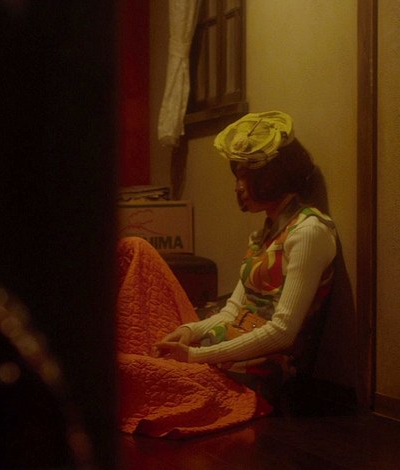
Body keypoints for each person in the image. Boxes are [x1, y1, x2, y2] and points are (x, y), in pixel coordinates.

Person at [126, 110, 338, 409]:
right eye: (238, 176)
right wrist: (189, 332)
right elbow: (232, 311)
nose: (238, 187)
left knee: (134, 370)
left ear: (274, 177)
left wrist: (195, 356)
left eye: (246, 176)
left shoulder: (308, 232)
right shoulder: (265, 234)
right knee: (144, 332)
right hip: (227, 344)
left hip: (263, 369)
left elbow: (283, 334)